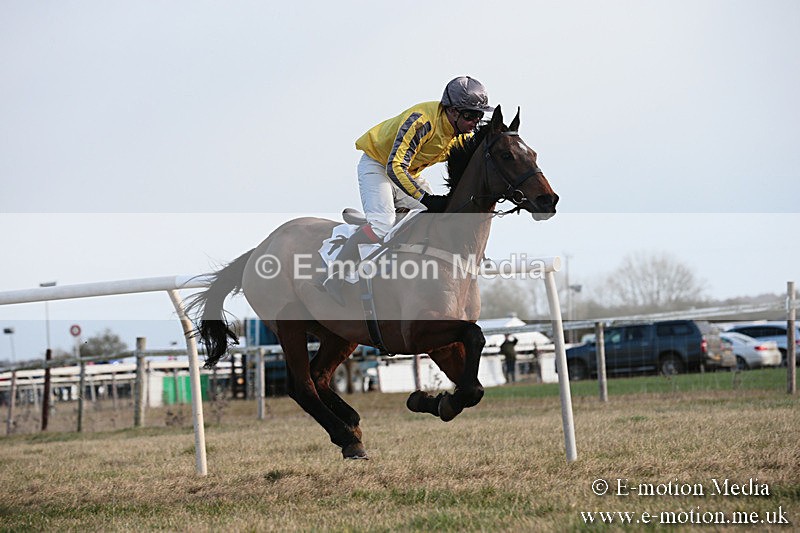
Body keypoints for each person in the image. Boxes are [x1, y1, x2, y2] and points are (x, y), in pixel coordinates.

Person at [324, 76, 495, 304]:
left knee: (442, 214)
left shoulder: (461, 132)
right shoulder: (422, 122)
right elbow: (394, 167)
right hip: (378, 165)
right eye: (469, 115)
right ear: (452, 111)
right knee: (382, 225)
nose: (474, 121)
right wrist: (425, 198)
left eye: (479, 115)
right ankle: (335, 275)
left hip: (407, 172)